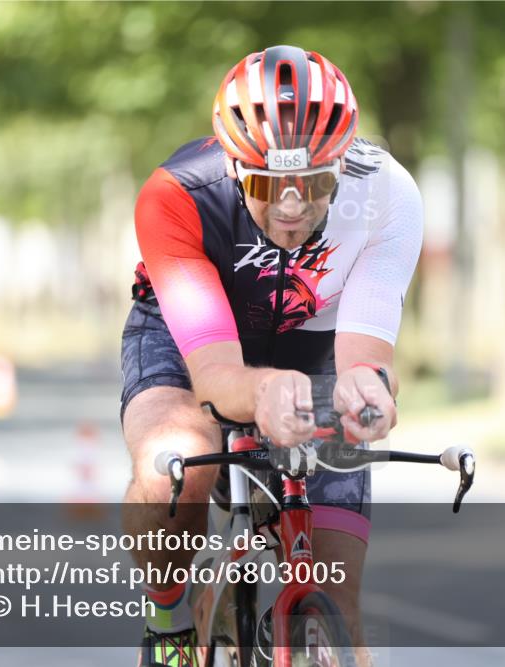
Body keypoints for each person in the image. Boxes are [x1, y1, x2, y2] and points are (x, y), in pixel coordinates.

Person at [121, 45, 423, 667]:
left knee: (341, 596)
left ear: (342, 165)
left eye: (313, 184)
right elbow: (214, 378)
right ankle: (169, 615)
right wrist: (260, 395)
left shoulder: (389, 195)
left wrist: (370, 395)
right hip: (193, 333)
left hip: (315, 338)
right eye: (266, 184)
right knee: (170, 464)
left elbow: (365, 354)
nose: (291, 207)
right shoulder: (176, 195)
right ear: (233, 169)